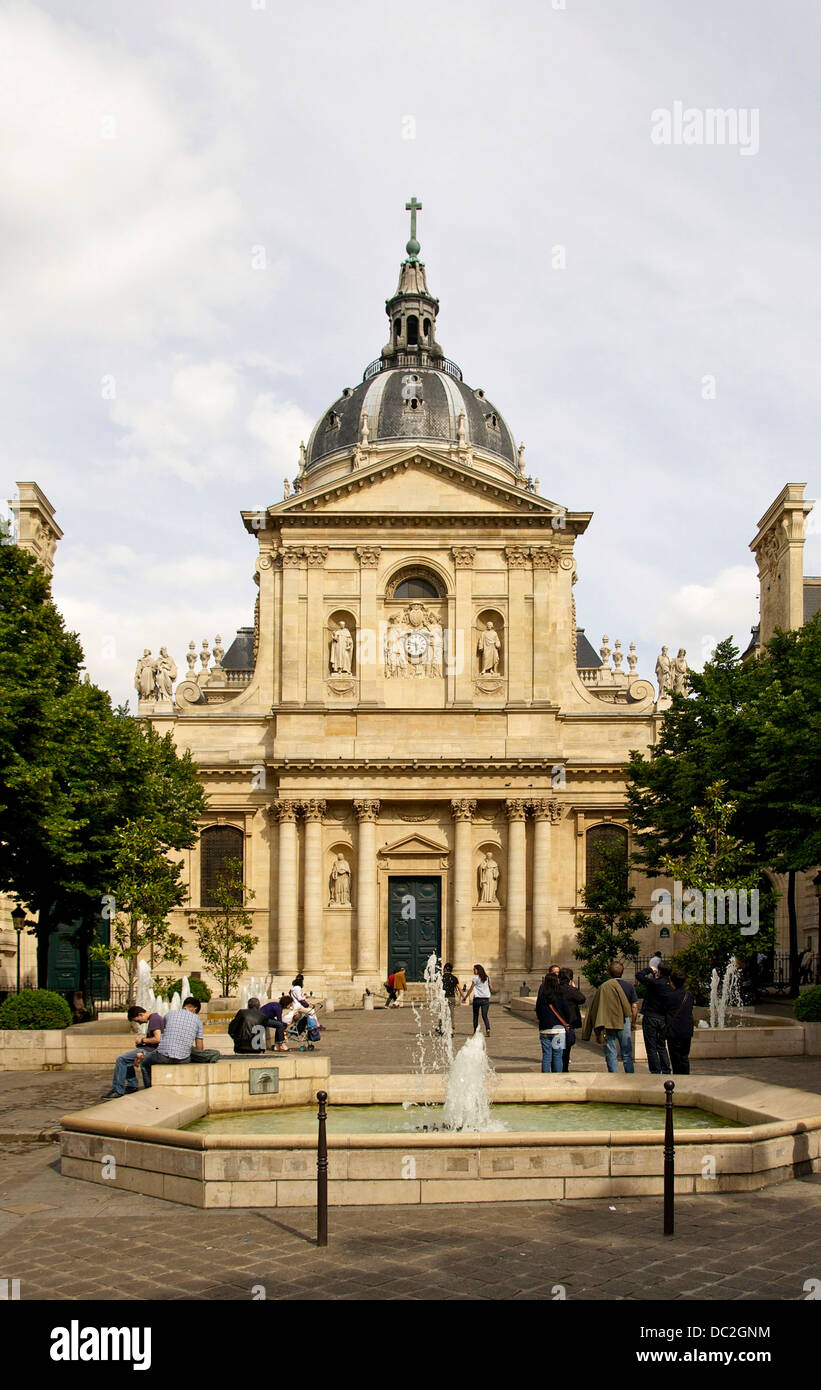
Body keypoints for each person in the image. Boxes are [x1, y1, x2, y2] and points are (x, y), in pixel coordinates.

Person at [137, 998, 221, 1080]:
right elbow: (199, 1047)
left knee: (144, 1064)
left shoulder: (169, 1014)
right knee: (190, 1049)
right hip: (183, 1059)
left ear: (184, 1006)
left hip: (163, 1056)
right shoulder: (197, 1020)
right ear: (195, 1009)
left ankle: (149, 1088)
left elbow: (165, 1036)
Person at [581, 962, 634, 1073]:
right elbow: (634, 1006)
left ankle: (613, 1076)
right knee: (627, 1052)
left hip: (608, 1021)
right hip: (624, 1021)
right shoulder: (629, 986)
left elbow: (596, 1005)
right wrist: (632, 1022)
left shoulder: (603, 987)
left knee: (611, 1052)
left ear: (608, 973)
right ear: (622, 972)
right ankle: (630, 1075)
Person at [102, 1005, 164, 1098]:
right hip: (150, 1049)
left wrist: (142, 1041)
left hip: (152, 1051)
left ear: (141, 1014)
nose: (139, 1023)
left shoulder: (154, 1019)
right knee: (127, 1061)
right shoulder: (155, 1018)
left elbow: (158, 1039)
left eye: (137, 1020)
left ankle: (118, 1090)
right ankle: (132, 1086)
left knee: (121, 1059)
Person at [636, 962, 674, 1074]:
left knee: (651, 1047)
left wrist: (650, 970)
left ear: (660, 972)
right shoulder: (671, 986)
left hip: (651, 1017)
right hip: (663, 1018)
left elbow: (638, 975)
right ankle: (666, 1069)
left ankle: (655, 1070)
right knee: (661, 1045)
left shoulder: (655, 983)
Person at [660, 971, 695, 1074]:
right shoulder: (689, 995)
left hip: (674, 1032)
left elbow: (664, 1010)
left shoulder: (669, 996)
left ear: (672, 982)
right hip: (686, 1031)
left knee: (675, 1058)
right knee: (684, 1057)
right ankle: (686, 1076)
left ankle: (678, 1078)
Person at [535, 972, 569, 1072]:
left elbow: (538, 1011)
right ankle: (557, 1077)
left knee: (546, 1055)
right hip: (558, 1029)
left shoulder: (542, 996)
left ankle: (545, 1078)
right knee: (558, 1056)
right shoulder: (560, 995)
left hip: (545, 1028)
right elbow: (567, 1011)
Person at [557, 967, 586, 1072]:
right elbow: (582, 999)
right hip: (569, 1022)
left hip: (556, 1022)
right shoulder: (570, 990)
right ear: (570, 978)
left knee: (556, 1049)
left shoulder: (555, 989)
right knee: (567, 1048)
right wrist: (574, 988)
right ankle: (564, 1069)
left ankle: (556, 1069)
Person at [463, 964, 491, 1036]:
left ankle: (475, 1031)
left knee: (475, 1015)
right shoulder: (487, 978)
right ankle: (488, 1028)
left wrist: (465, 997)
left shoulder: (475, 979)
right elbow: (491, 987)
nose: (473, 971)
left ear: (478, 970)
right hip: (485, 999)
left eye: (474, 969)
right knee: (485, 1015)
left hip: (477, 999)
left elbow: (470, 989)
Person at [441, 962, 463, 1033]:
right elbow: (459, 988)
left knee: (442, 1013)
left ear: (444, 969)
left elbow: (438, 988)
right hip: (452, 997)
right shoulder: (454, 978)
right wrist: (463, 997)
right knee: (451, 1014)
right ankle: (452, 1030)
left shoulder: (442, 977)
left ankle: (442, 1029)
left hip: (444, 997)